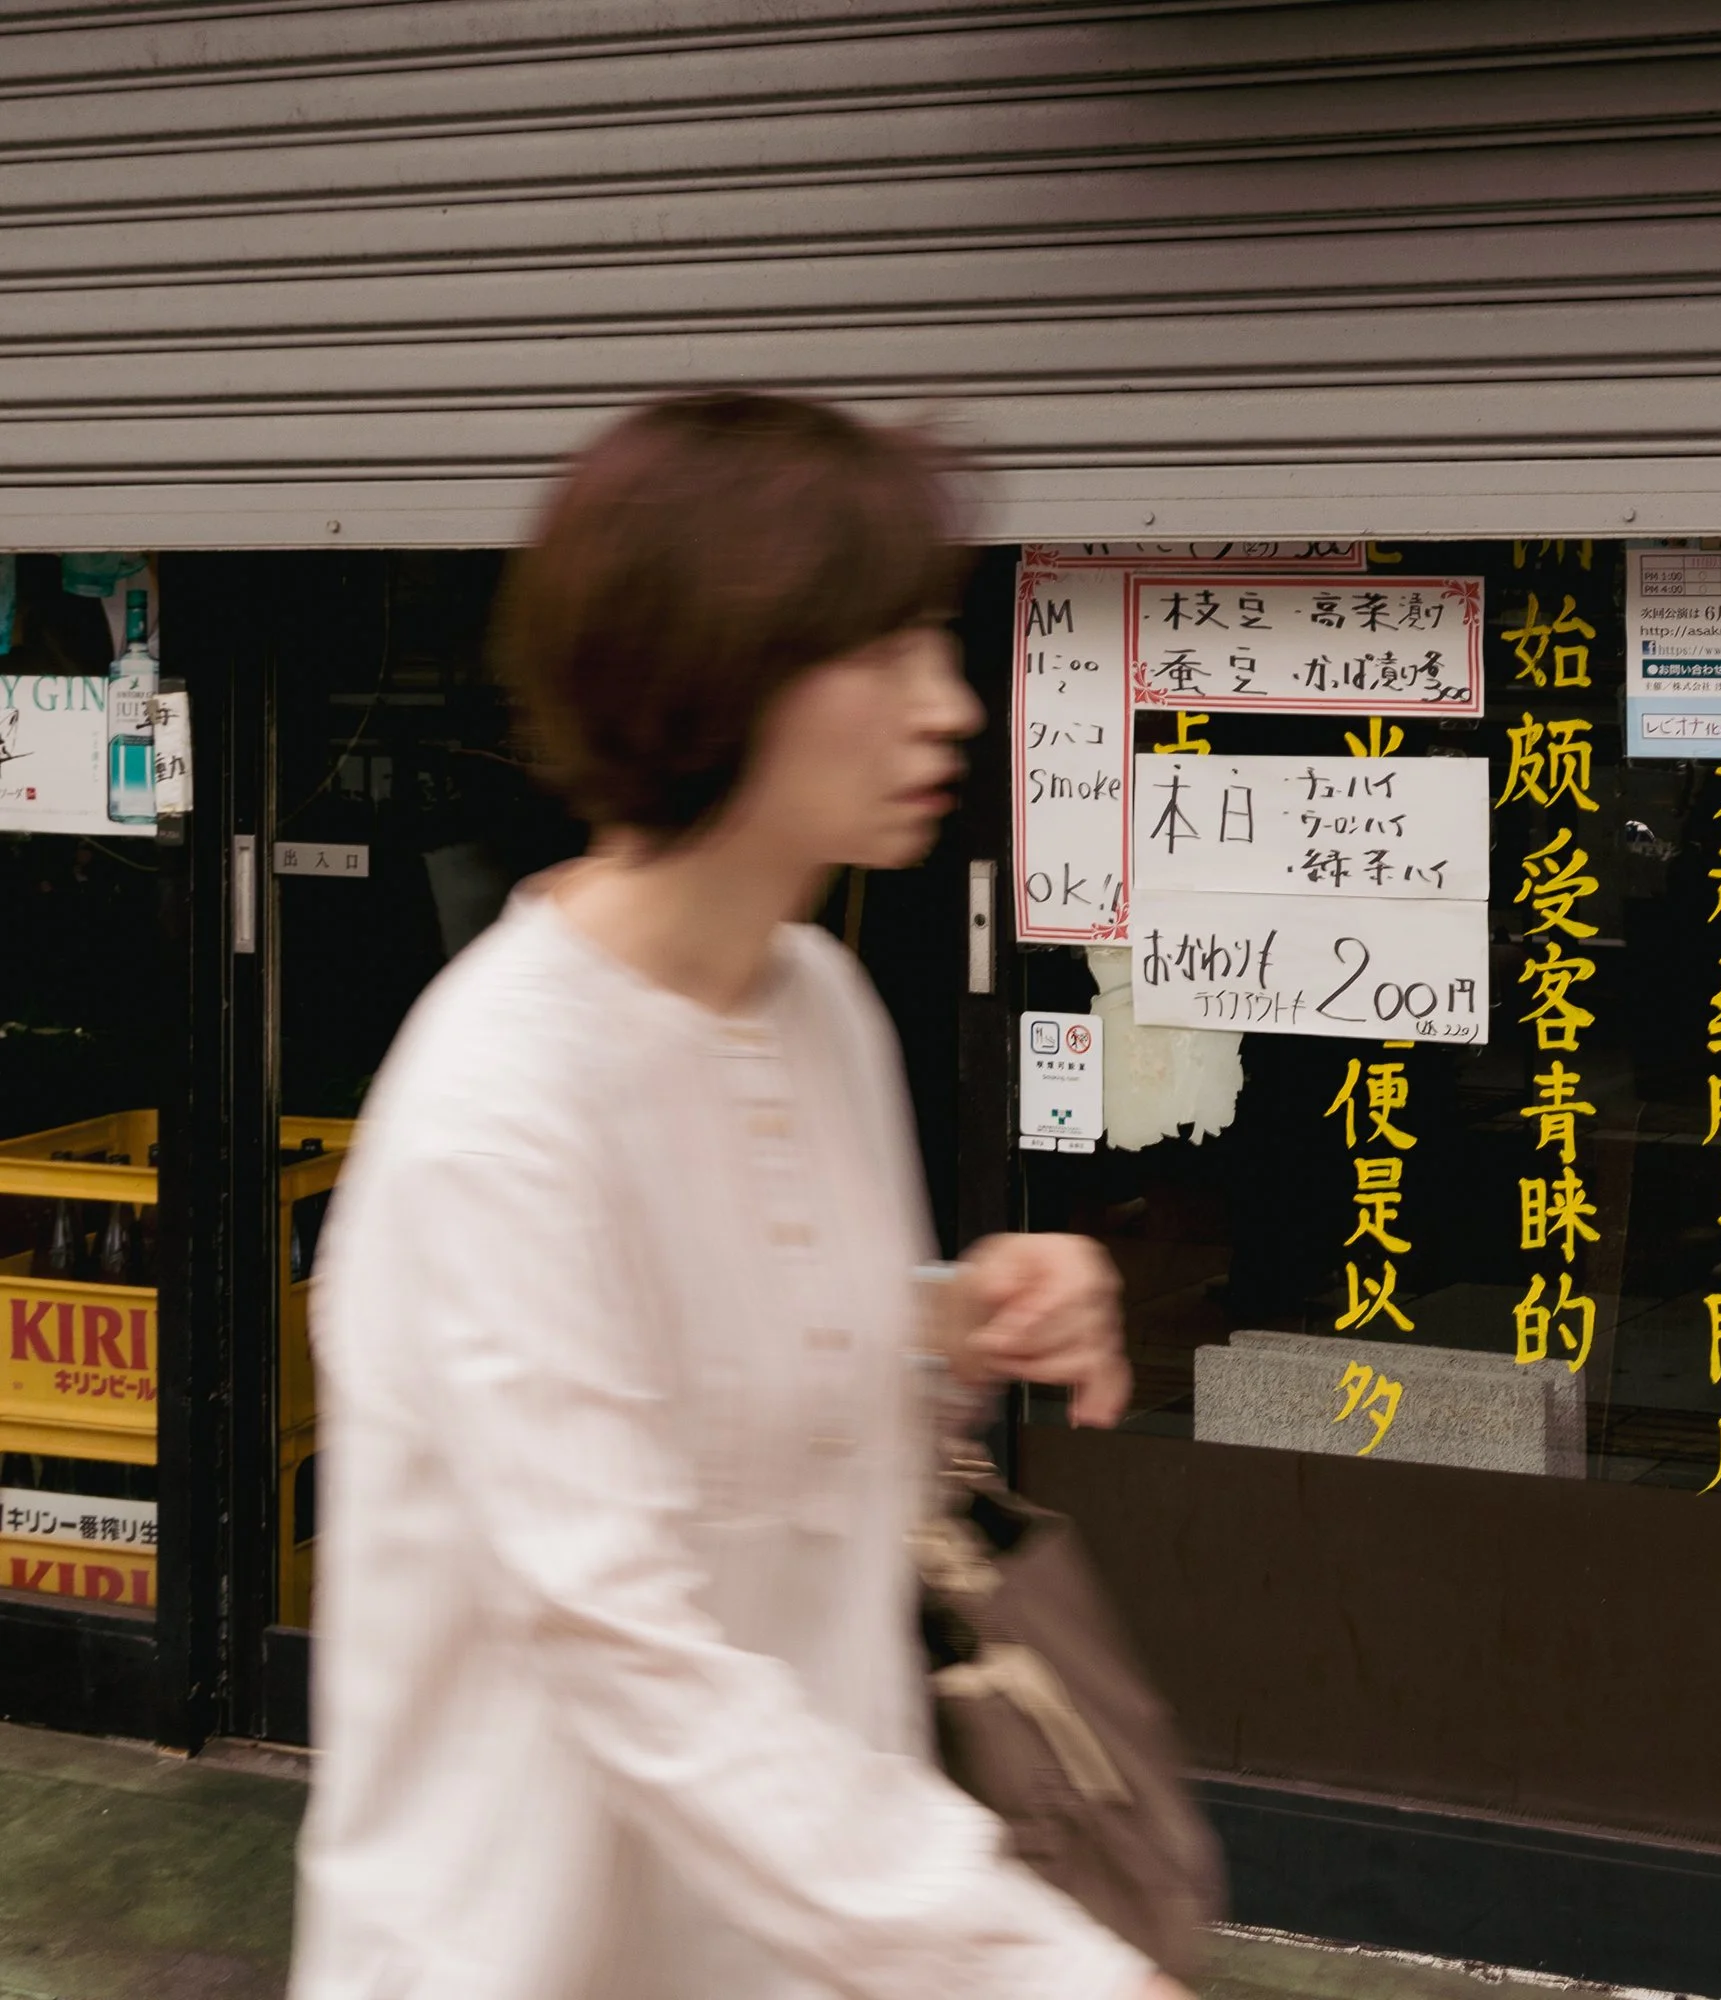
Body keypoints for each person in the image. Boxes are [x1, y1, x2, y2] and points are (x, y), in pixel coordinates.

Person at [290, 393, 1191, 2000]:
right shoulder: (502, 1109)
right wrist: (1039, 1966)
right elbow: (623, 1643)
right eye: (887, 651)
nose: (952, 708)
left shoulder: (815, 1001)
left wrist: (957, 1318)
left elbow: (771, 1396)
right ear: (714, 670)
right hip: (523, 1953)